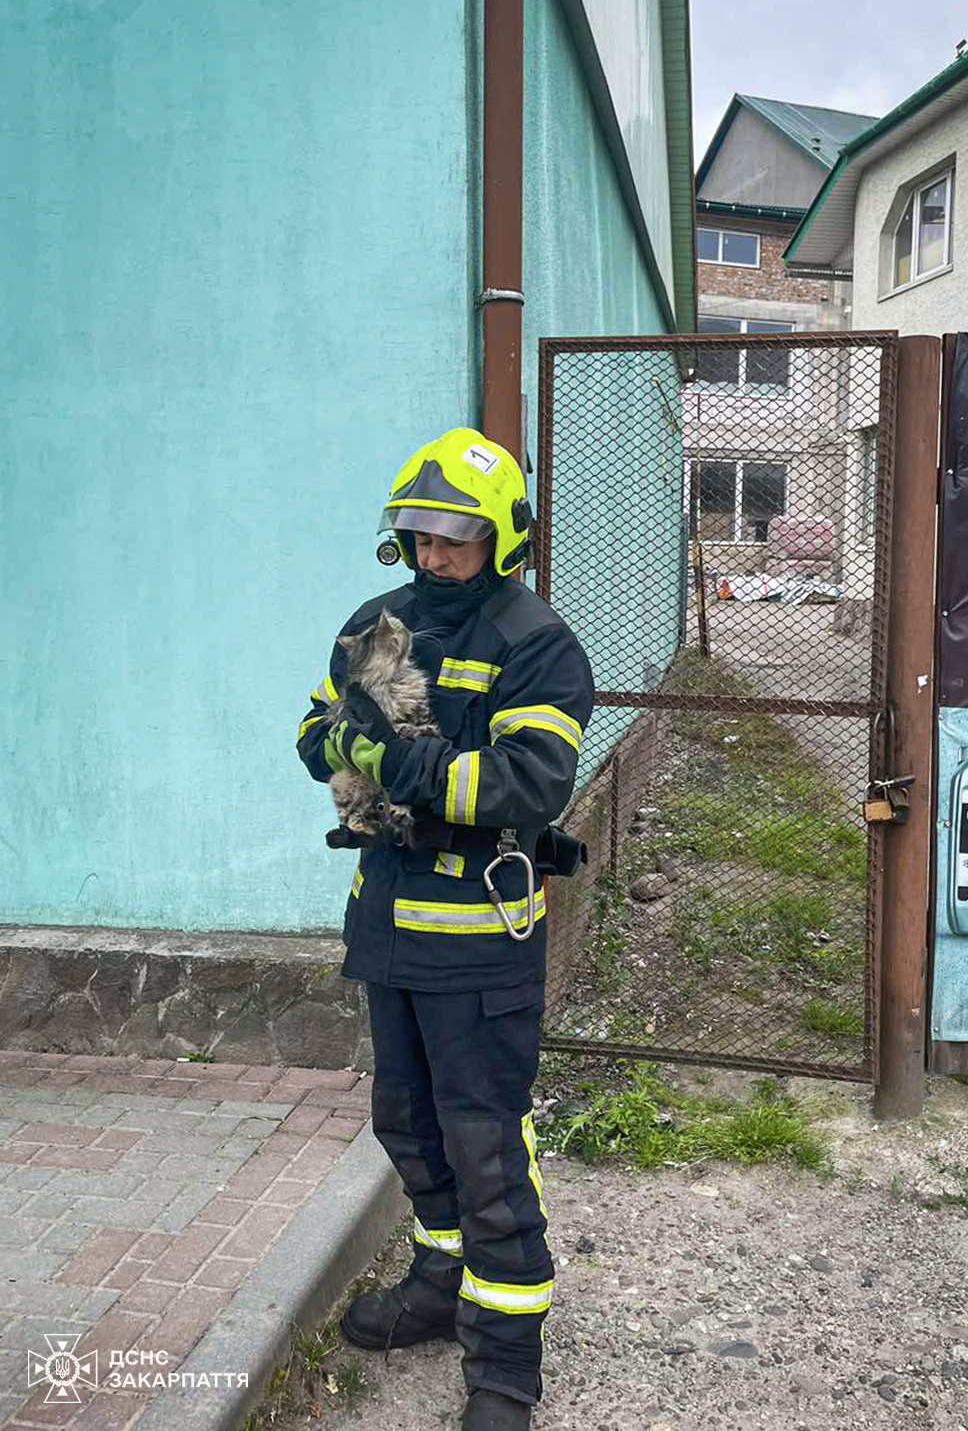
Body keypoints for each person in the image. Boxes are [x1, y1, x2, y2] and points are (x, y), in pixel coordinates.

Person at [296, 428, 594, 1431]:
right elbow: (312, 729)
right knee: (406, 1123)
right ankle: (438, 1284)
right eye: (419, 540)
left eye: (455, 541)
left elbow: (528, 782)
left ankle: (506, 1362)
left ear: (504, 538)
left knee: (484, 1142)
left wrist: (394, 764)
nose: (434, 559)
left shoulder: (535, 643)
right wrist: (342, 742)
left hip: (480, 938)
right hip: (386, 927)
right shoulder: (373, 624)